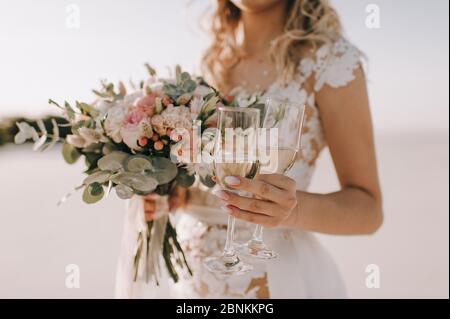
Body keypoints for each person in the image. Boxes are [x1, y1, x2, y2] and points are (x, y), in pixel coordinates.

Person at [116, 0, 383, 299]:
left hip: (274, 280)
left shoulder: (330, 62)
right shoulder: (209, 63)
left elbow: (369, 210)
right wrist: (176, 194)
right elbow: (212, 180)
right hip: (190, 277)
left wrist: (291, 210)